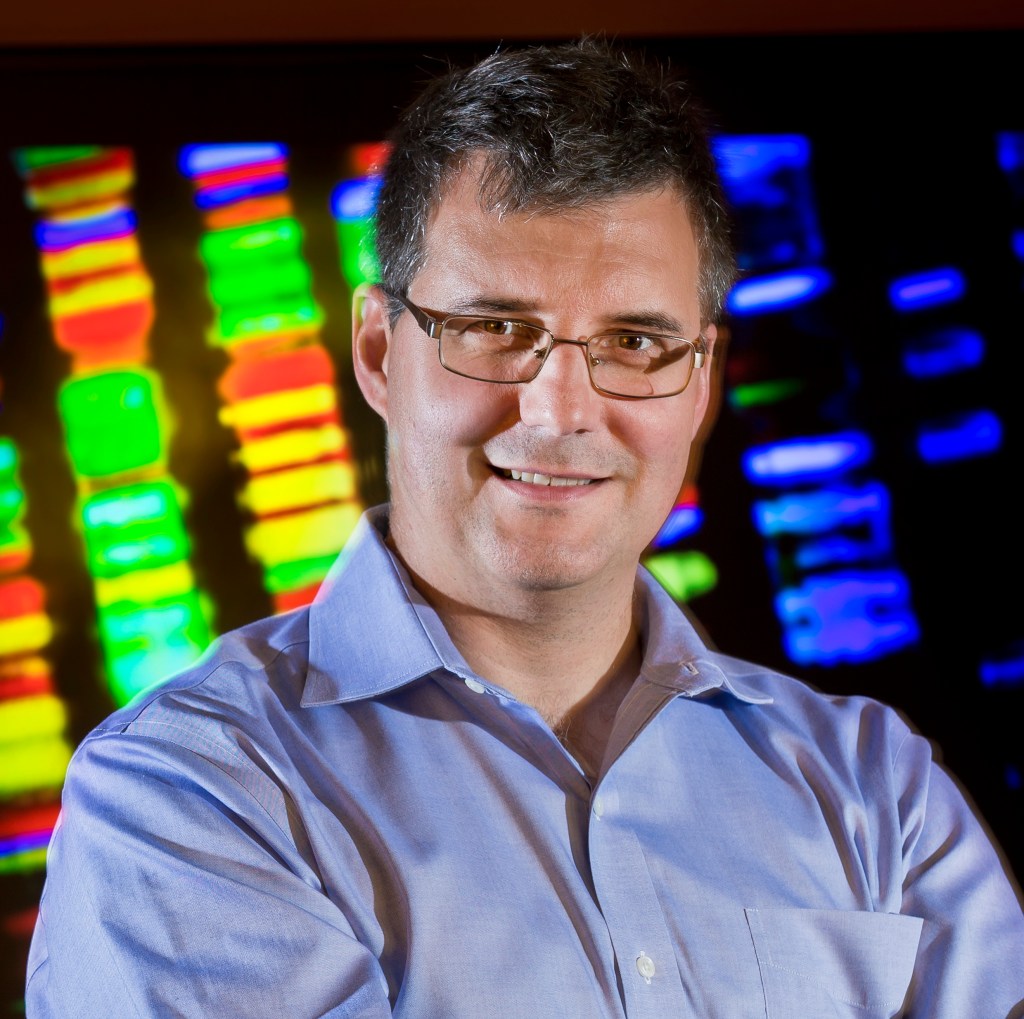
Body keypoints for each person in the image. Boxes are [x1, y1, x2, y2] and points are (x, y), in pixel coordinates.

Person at [26, 37, 1024, 1019]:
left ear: (701, 378)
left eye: (634, 340)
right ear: (379, 351)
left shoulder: (872, 789)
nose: (558, 410)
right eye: (495, 329)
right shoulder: (193, 795)